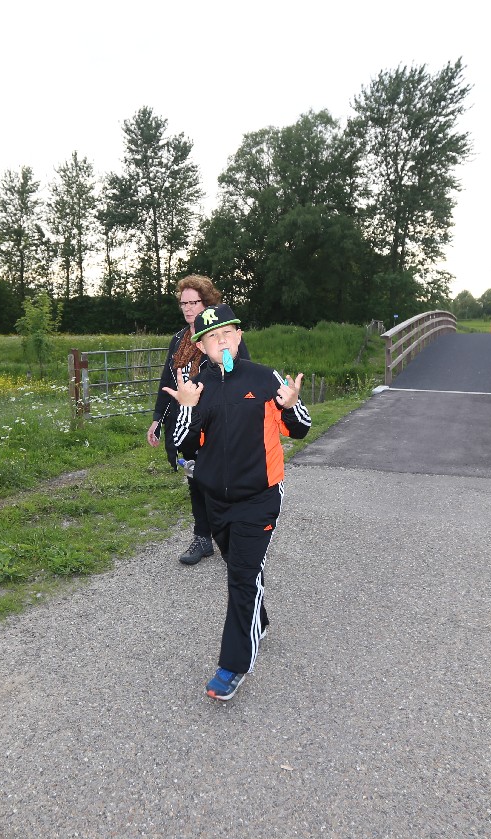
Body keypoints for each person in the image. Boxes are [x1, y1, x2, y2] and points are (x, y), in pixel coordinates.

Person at [162, 303, 311, 701]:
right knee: (239, 566)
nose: (222, 341)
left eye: (227, 332)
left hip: (260, 496)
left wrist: (290, 405)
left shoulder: (262, 378)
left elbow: (300, 429)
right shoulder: (197, 388)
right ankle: (257, 617)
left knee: (242, 576)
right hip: (215, 499)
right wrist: (186, 407)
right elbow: (183, 445)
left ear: (239, 335)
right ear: (201, 346)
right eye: (212, 337)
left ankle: (233, 665)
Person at [147, 275, 249, 566]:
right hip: (186, 420)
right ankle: (203, 537)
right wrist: (157, 419)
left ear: (207, 303)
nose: (188, 308)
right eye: (184, 303)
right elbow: (169, 382)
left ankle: (233, 537)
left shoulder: (222, 337)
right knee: (196, 479)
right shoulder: (178, 340)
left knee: (225, 480)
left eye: (194, 302)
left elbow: (240, 375)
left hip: (217, 420)